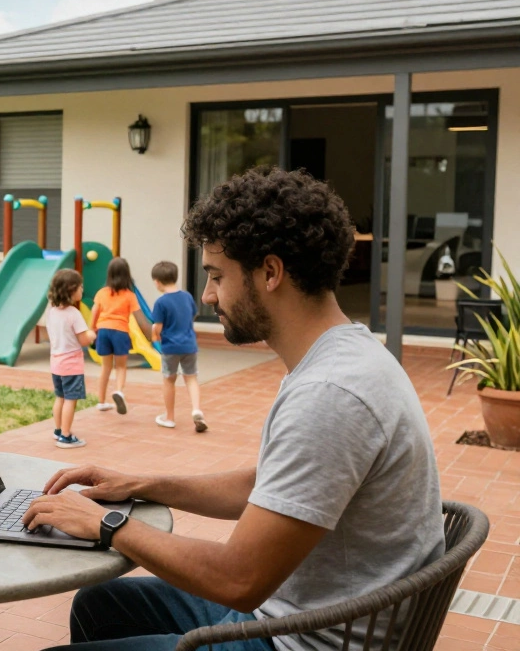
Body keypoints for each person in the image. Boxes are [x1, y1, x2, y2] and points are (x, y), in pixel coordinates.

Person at [22, 167, 442, 651]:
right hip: (295, 612)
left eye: (218, 277)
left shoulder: (331, 393)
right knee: (99, 603)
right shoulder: (347, 355)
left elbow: (239, 580)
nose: (207, 296)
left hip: (297, 640)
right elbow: (270, 485)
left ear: (270, 272)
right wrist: (140, 484)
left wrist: (107, 524)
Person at [90, 258, 151, 416]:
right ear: (127, 275)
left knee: (105, 367)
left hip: (103, 331)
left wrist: (92, 330)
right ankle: (118, 391)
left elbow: (94, 312)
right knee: (121, 366)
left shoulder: (101, 293)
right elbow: (140, 318)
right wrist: (150, 335)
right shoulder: (130, 296)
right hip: (120, 332)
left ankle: (101, 401)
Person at [149, 261, 206, 432]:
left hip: (170, 347)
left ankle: (169, 417)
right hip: (189, 345)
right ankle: (196, 409)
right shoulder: (187, 297)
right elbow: (193, 314)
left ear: (158, 281)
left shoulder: (161, 302)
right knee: (191, 378)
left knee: (169, 380)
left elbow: (157, 327)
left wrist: (154, 337)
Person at [47, 269, 95, 449]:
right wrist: (91, 334)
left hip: (56, 363)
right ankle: (66, 436)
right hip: (71, 365)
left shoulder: (52, 312)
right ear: (71, 290)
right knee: (70, 400)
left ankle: (58, 430)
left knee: (60, 397)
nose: (82, 289)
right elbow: (83, 339)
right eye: (80, 286)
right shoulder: (74, 314)